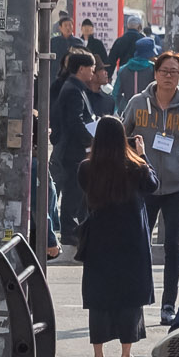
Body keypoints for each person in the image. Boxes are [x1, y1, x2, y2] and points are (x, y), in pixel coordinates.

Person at [123, 49, 179, 324]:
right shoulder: (138, 104)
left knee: (173, 246)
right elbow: (120, 136)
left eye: (174, 72)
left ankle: (168, 305)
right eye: (164, 71)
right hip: (144, 185)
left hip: (176, 187)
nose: (168, 76)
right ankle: (139, 299)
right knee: (139, 244)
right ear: (155, 73)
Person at [76, 115, 155, 357]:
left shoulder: (86, 169)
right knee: (129, 297)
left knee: (99, 297)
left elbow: (84, 189)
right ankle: (126, 355)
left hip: (99, 240)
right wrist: (142, 155)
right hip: (131, 241)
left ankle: (98, 355)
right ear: (124, 140)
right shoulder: (136, 168)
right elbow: (153, 185)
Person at [52, 50, 111, 252]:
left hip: (79, 148)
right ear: (81, 69)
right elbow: (74, 122)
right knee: (73, 191)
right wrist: (91, 139)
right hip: (73, 150)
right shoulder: (72, 90)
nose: (94, 72)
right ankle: (70, 231)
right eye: (91, 68)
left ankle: (75, 229)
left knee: (78, 191)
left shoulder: (78, 88)